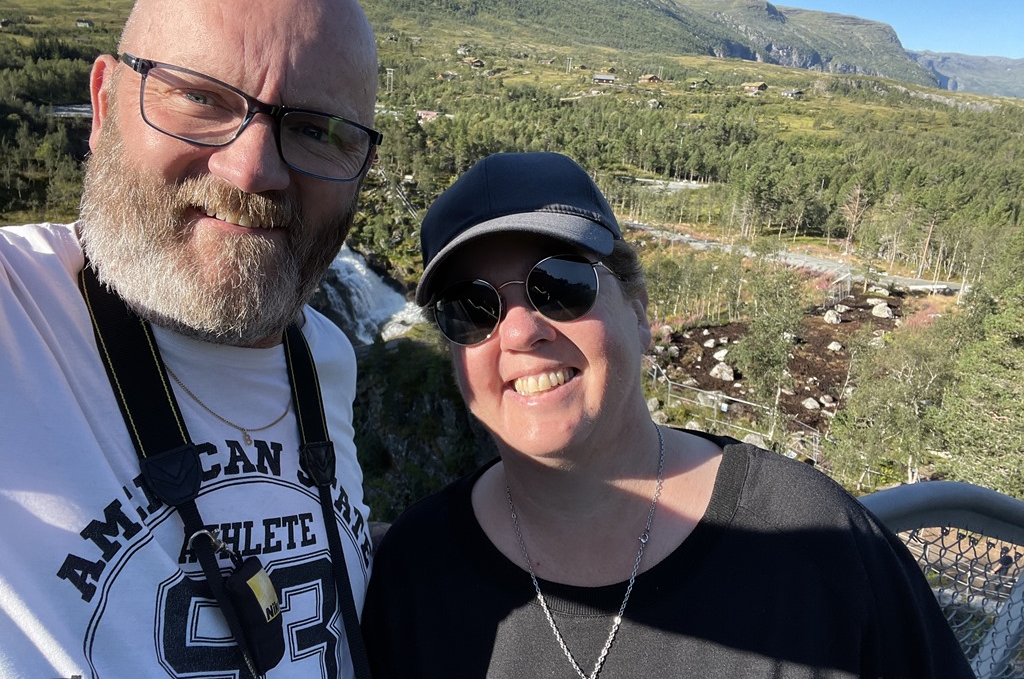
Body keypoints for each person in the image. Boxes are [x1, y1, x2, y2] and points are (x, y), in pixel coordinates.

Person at [361, 152, 974, 678]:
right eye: (471, 309)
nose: (520, 332)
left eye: (561, 284)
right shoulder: (411, 573)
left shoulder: (818, 541)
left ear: (639, 312)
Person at [0, 0, 381, 678]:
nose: (252, 170)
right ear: (104, 104)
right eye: (202, 98)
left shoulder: (325, 357)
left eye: (314, 129)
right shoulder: (18, 310)